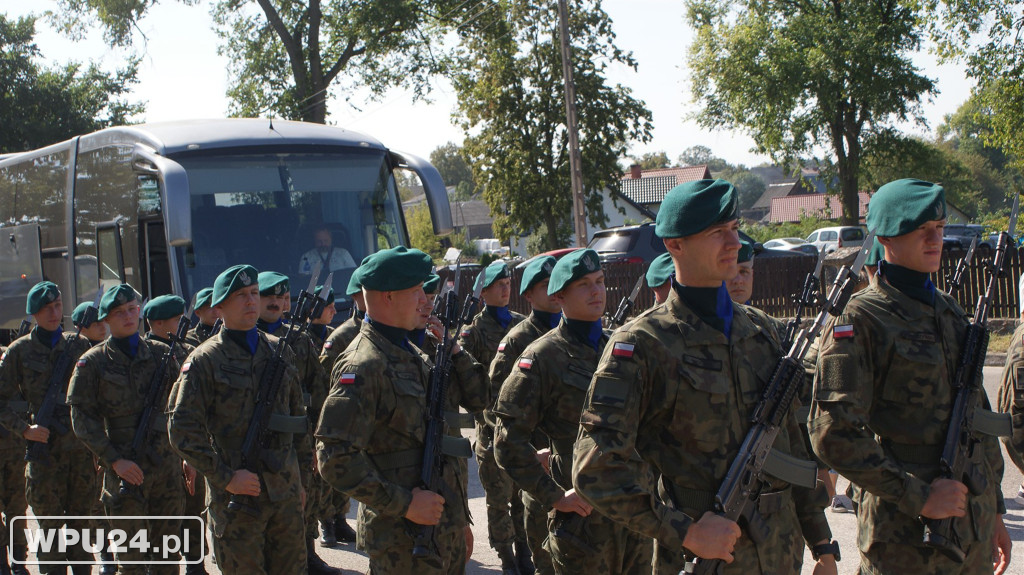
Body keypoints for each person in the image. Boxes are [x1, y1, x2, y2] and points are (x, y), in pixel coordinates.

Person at [572, 179, 836, 574]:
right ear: (674, 245)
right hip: (702, 559)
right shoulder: (643, 343)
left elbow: (791, 449)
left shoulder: (763, 331)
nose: (733, 243)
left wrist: (822, 544)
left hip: (782, 554)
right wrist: (685, 530)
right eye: (717, 233)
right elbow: (593, 468)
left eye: (733, 228)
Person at [809, 178, 1011, 574]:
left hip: (970, 526)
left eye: (938, 228)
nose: (935, 238)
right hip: (904, 538)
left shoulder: (950, 312)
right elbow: (831, 433)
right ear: (886, 237)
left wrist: (995, 513)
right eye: (921, 230)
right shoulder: (859, 321)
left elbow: (978, 421)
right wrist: (918, 496)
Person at [316, 246, 487, 574]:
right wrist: (405, 503)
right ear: (387, 297)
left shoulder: (412, 353)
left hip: (440, 527)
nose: (426, 300)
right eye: (415, 292)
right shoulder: (364, 364)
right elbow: (334, 458)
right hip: (400, 540)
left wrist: (456, 521)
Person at [493, 249, 652, 573]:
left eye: (599, 282)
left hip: (633, 512)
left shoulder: (619, 349)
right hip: (583, 520)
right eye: (584, 285)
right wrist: (553, 496)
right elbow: (506, 441)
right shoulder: (542, 357)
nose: (596, 291)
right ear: (559, 294)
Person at [168, 264, 311, 575]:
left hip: (284, 494)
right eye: (240, 296)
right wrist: (225, 477)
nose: (250, 301)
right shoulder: (204, 360)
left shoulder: (279, 351)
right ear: (219, 308)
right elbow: (181, 431)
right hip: (237, 500)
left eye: (254, 293)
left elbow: (298, 422)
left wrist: (302, 481)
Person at [67, 284, 184, 574]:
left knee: (168, 559)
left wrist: (186, 455)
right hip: (124, 469)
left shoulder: (163, 354)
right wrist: (114, 460)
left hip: (166, 471)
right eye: (119, 313)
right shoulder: (92, 363)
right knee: (131, 560)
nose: (128, 316)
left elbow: (183, 409)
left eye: (132, 309)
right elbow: (82, 419)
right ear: (106, 319)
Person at [0, 281, 95, 575]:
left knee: (80, 531)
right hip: (43, 457)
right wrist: (25, 430)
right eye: (46, 308)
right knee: (51, 535)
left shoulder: (78, 345)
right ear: (34, 313)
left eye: (57, 306)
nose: (54, 313)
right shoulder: (19, 352)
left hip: (79, 455)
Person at [255, 271, 339, 575]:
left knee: (305, 492)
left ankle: (307, 551)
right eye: (269, 297)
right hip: (256, 431)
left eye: (281, 297)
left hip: (296, 429)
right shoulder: (248, 340)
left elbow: (319, 391)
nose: (276, 303)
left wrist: (319, 437)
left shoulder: (300, 338)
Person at [485, 255, 560, 574]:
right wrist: (529, 454)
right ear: (529, 295)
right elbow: (494, 408)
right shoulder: (516, 341)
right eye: (546, 286)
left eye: (558, 282)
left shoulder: (573, 334)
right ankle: (512, 557)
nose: (555, 290)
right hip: (534, 459)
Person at [458, 260, 529, 574]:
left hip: (524, 427)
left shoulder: (522, 323)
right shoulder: (472, 331)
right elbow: (464, 374)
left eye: (508, 284)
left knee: (525, 496)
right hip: (490, 429)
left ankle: (525, 551)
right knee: (499, 498)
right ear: (483, 292)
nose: (505, 289)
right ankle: (506, 556)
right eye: (498, 285)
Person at [317, 259, 370, 547]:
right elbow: (323, 380)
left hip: (365, 416)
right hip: (340, 414)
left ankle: (340, 519)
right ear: (355, 297)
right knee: (334, 473)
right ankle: (327, 523)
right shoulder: (342, 336)